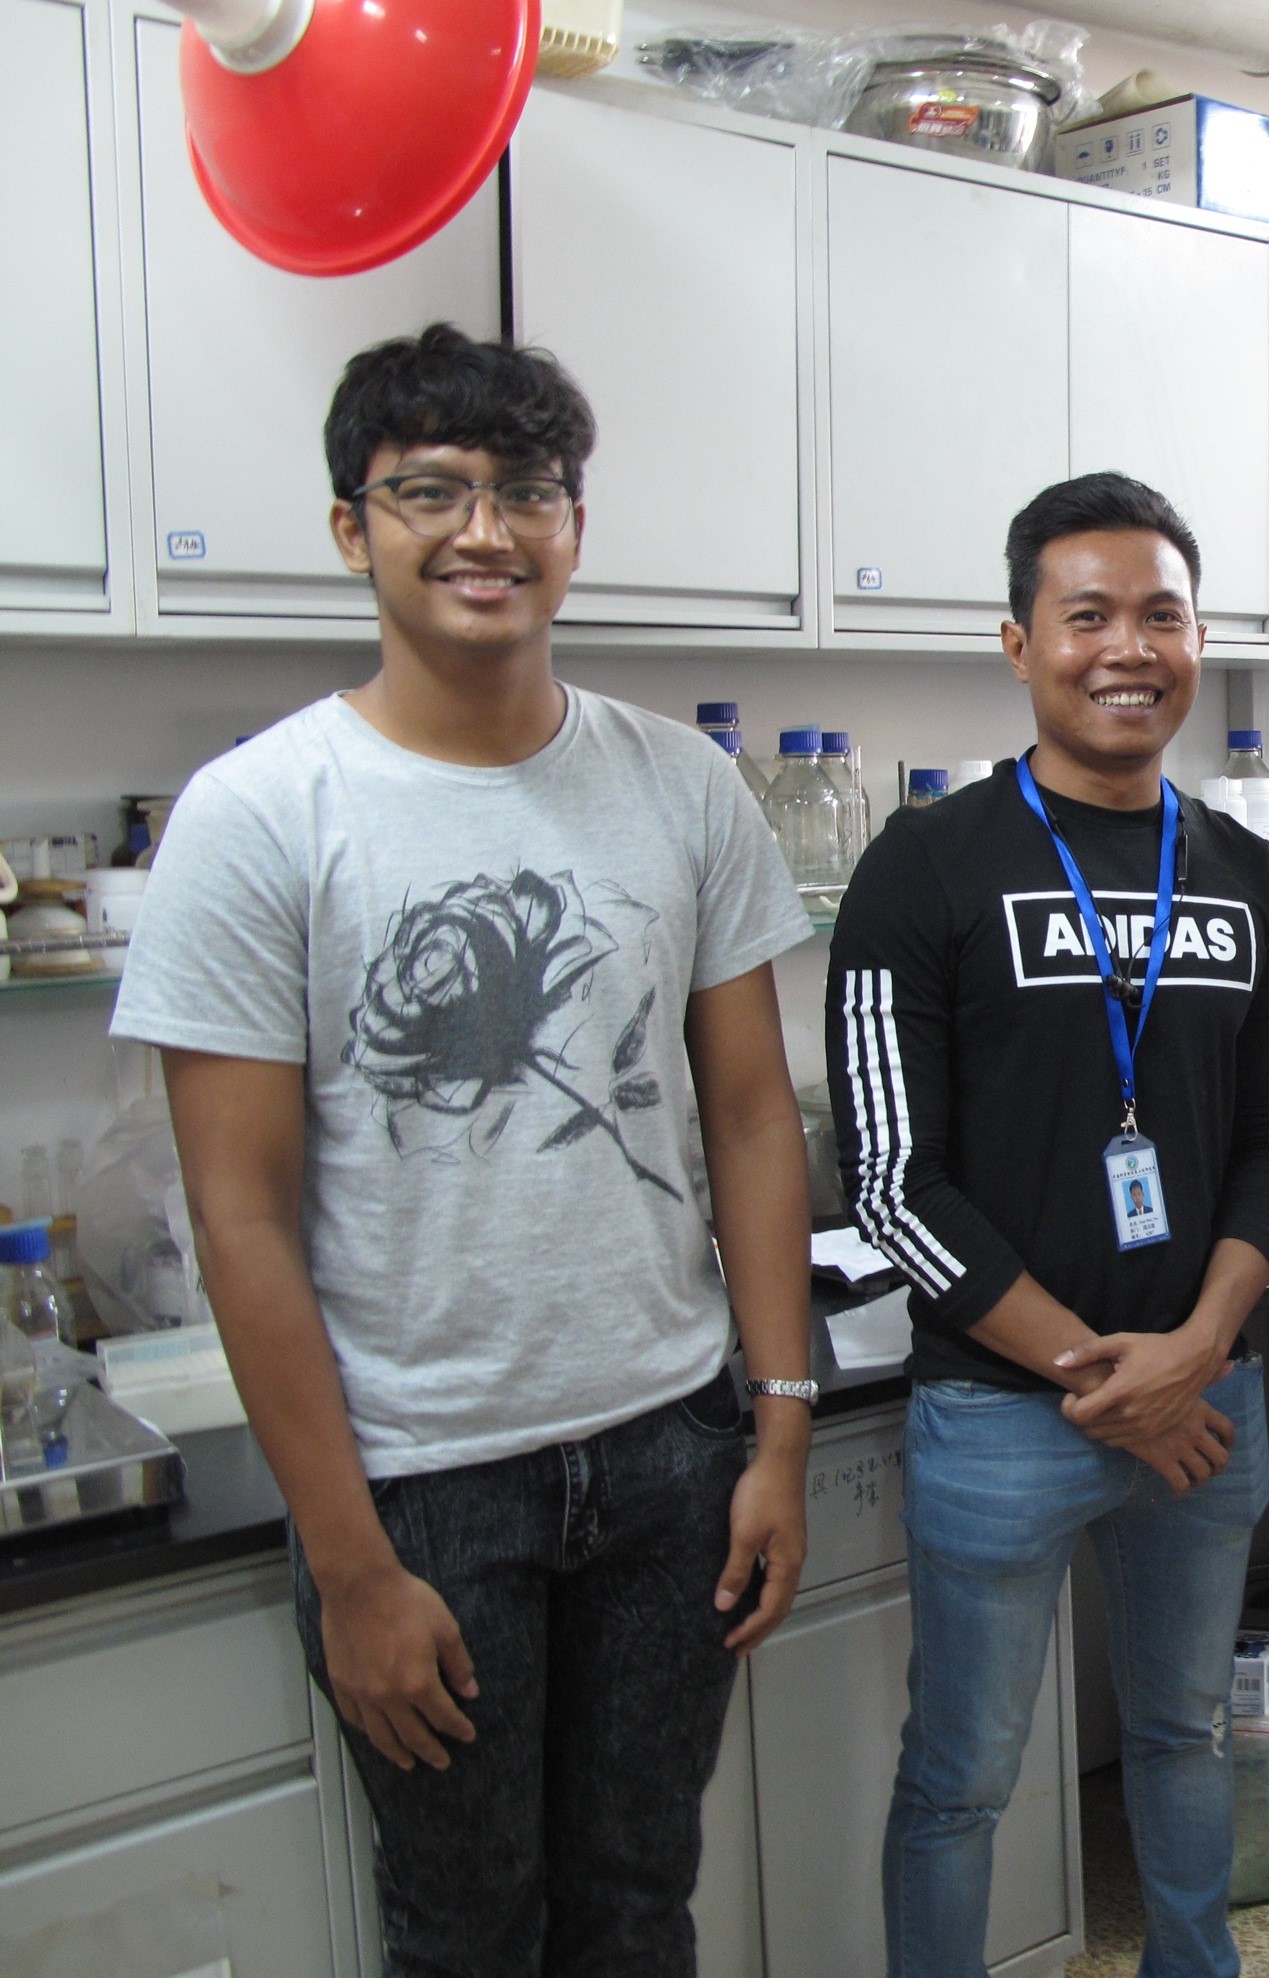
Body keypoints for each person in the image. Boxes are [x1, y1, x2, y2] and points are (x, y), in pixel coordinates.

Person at [112, 323, 818, 1973]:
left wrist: (778, 1428)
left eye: (526, 490)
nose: (484, 529)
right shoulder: (259, 812)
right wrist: (349, 1562)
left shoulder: (682, 786)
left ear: (575, 524)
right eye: (429, 489)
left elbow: (748, 1117)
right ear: (351, 527)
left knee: (638, 1906)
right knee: (467, 1931)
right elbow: (240, 1216)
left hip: (669, 1452)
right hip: (420, 1482)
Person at [825, 472, 1269, 1978]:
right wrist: (1108, 1377)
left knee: (1181, 1732)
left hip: (1205, 1392)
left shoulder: (1240, 868)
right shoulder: (925, 862)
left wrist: (1199, 1347)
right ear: (1019, 643)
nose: (1127, 648)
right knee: (962, 1777)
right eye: (1086, 615)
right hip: (1002, 1406)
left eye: (1161, 615)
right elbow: (891, 1180)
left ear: (1198, 640)